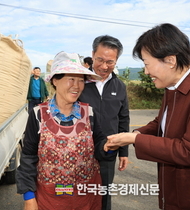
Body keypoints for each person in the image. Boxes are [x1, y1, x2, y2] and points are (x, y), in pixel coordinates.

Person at [104, 23, 190, 210]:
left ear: (170, 60)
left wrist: (135, 139)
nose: (146, 71)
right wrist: (135, 134)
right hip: (173, 186)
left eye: (147, 64)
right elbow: (162, 123)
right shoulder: (172, 86)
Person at [16, 52, 118, 210]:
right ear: (55, 80)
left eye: (80, 80)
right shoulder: (38, 115)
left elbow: (99, 151)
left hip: (86, 199)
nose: (77, 86)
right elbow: (28, 157)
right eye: (71, 79)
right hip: (50, 199)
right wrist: (29, 197)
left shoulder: (89, 113)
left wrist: (109, 148)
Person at [79, 35, 129, 210]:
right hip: (78, 151)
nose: (104, 66)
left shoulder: (119, 87)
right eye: (100, 59)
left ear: (116, 61)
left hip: (109, 149)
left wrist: (124, 151)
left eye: (110, 62)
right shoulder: (79, 82)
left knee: (104, 193)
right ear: (92, 54)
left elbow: (123, 119)